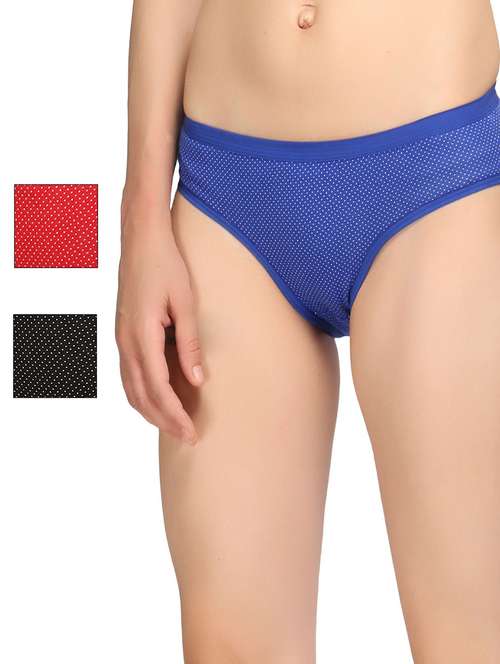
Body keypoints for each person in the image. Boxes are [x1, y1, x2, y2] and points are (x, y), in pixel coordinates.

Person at [116, 1, 500, 661]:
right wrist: (141, 219)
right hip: (224, 191)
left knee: (471, 638)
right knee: (230, 648)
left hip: (432, 171)